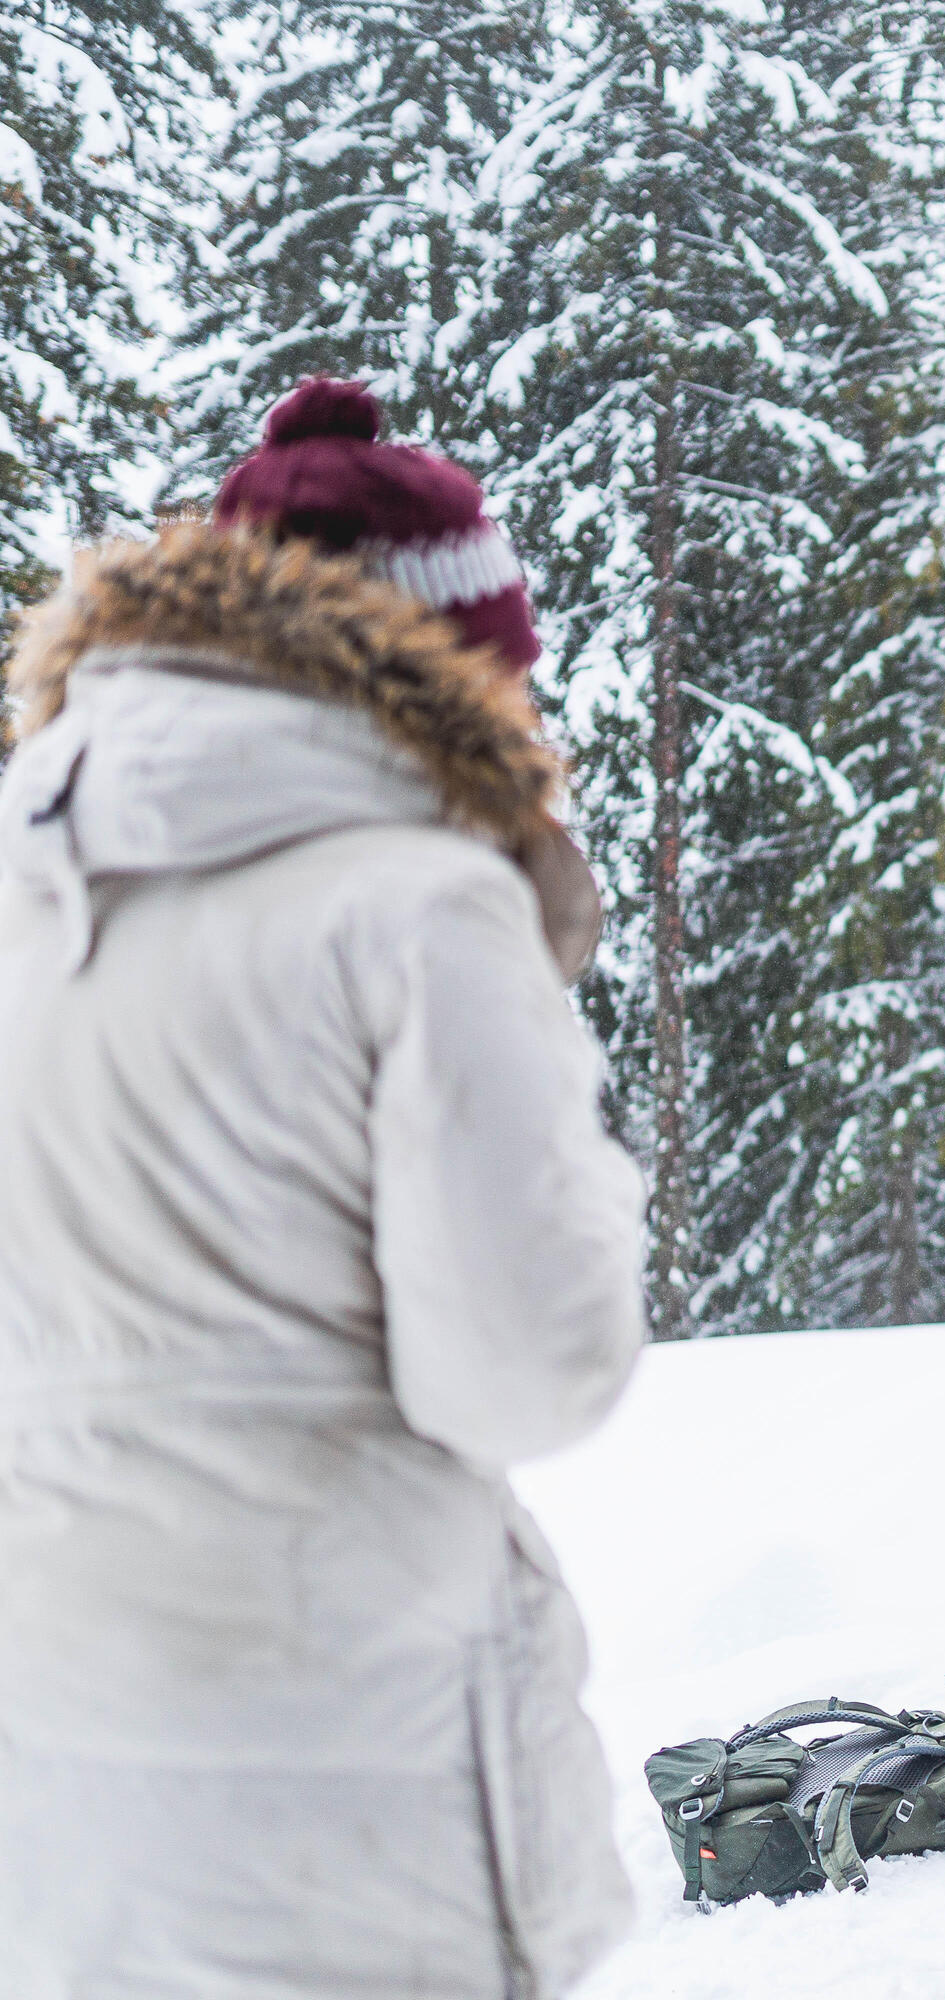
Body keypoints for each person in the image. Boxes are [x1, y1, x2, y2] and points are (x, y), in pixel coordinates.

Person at [0, 380, 646, 1998]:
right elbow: (527, 1366)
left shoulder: (23, 875)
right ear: (455, 670)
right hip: (350, 1751)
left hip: (50, 1737)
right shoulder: (419, 905)